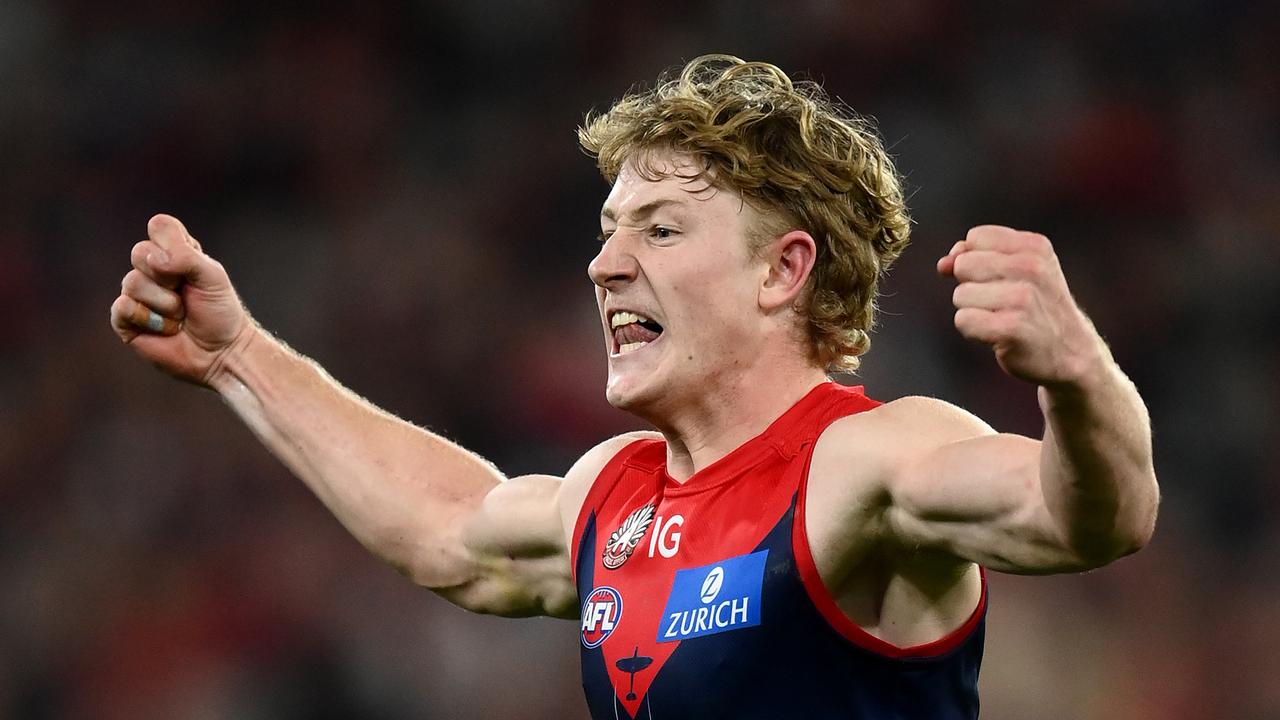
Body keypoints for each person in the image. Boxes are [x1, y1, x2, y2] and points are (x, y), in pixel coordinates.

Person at [109, 55, 1159, 719]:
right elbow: (446, 527)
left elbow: (1087, 519)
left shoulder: (860, 461)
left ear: (780, 271)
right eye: (608, 231)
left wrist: (1074, 374)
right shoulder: (616, 491)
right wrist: (237, 352)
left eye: (658, 229)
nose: (606, 265)